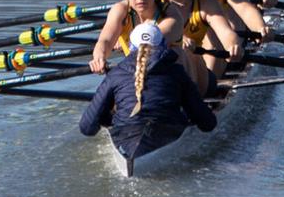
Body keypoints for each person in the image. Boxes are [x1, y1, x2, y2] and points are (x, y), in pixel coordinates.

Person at [79, 23, 216, 160]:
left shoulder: (115, 74)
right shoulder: (177, 72)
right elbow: (208, 124)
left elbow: (87, 127)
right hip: (166, 133)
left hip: (126, 137)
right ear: (163, 45)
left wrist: (109, 118)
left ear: (131, 47)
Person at [157, 0, 242, 95]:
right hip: (159, 70)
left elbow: (225, 31)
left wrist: (233, 45)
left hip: (197, 74)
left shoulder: (205, 0)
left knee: (188, 54)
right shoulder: (152, 0)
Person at [88, 0, 178, 74]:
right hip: (136, 70)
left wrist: (128, 41)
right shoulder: (120, 10)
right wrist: (99, 57)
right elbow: (105, 40)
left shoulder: (170, 12)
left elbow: (154, 38)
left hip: (168, 72)